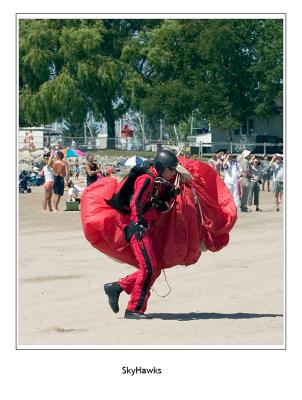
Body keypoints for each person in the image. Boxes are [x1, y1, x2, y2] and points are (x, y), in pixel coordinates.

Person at [103, 150, 189, 319]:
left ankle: (116, 287)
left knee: (154, 268)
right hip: (136, 228)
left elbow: (156, 205)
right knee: (149, 268)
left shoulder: (160, 181)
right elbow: (136, 201)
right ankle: (134, 309)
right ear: (161, 167)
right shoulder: (146, 179)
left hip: (144, 227)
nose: (173, 173)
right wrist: (139, 221)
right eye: (171, 169)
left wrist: (169, 196)